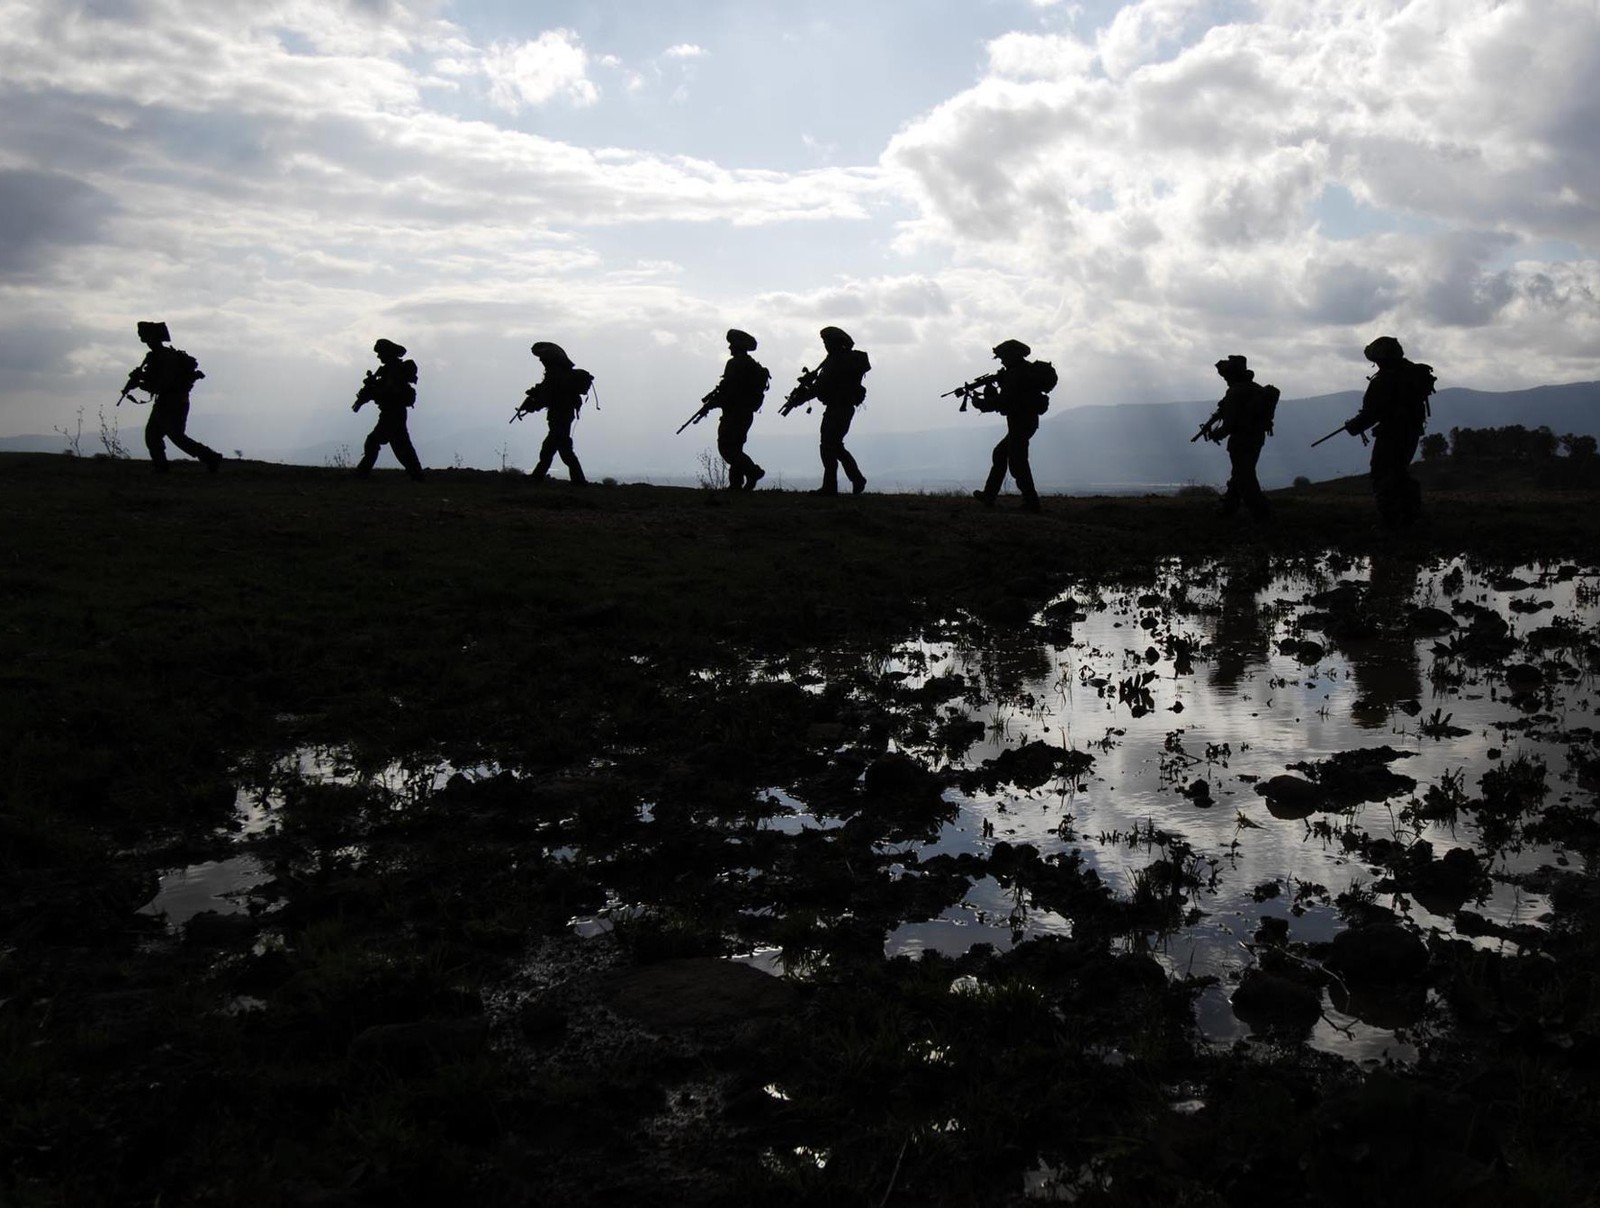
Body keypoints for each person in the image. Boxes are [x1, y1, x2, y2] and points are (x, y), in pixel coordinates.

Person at [1342, 336, 1434, 528]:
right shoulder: (1411, 373)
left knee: (1382, 474)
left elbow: (1371, 414)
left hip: (1391, 435)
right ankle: (1410, 515)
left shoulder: (1384, 381)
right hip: (1412, 432)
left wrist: (1353, 426)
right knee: (1399, 473)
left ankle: (1392, 521)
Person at [121, 321, 222, 473]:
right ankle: (163, 467)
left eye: (147, 338)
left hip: (173, 401)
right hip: (170, 401)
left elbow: (162, 384)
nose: (147, 342)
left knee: (173, 436)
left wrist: (141, 382)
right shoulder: (158, 356)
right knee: (154, 436)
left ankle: (210, 457)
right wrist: (140, 380)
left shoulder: (164, 358)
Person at [969, 339, 1055, 513]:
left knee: (1017, 462)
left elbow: (1004, 401)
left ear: (1011, 355)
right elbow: (1009, 398)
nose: (1001, 361)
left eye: (1003, 357)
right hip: (1024, 422)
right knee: (1001, 454)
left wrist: (981, 403)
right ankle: (989, 495)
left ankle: (1031, 503)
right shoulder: (1021, 371)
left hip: (1021, 422)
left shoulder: (1015, 374)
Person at [1199, 354, 1276, 521]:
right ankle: (1228, 509)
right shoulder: (1256, 389)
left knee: (1244, 477)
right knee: (1239, 475)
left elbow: (1230, 424)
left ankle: (1261, 513)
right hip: (1256, 439)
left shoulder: (1235, 393)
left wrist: (1216, 434)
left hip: (1241, 441)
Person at [518, 342, 593, 484]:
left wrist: (532, 405)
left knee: (560, 450)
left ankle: (577, 481)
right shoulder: (559, 374)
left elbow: (546, 397)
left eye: (542, 358)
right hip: (562, 415)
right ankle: (540, 476)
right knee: (552, 448)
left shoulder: (555, 375)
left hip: (560, 416)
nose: (541, 360)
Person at [352, 338, 425, 481]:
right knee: (401, 445)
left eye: (380, 353)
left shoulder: (394, 371)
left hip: (392, 412)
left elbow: (390, 392)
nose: (378, 356)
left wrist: (374, 391)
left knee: (375, 441)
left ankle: (362, 473)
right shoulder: (389, 370)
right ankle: (417, 474)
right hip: (393, 412)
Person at [808, 326, 870, 495]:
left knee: (829, 446)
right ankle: (854, 479)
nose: (825, 345)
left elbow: (821, 386)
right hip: (842, 408)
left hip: (838, 408)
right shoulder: (842, 360)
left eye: (826, 342)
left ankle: (834, 485)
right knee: (834, 446)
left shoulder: (837, 361)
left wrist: (803, 397)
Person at [707, 329, 770, 490]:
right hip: (744, 413)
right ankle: (736, 484)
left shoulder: (735, 364)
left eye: (732, 345)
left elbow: (729, 390)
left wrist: (715, 402)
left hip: (735, 412)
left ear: (738, 346)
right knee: (736, 448)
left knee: (727, 448)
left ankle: (752, 471)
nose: (730, 348)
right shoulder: (750, 365)